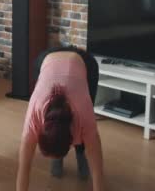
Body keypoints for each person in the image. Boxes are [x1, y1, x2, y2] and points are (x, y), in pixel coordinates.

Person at [16, 46, 104, 191]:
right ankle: (57, 151)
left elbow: (98, 171)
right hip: (47, 58)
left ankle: (80, 151)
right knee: (60, 151)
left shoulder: (83, 113)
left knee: (89, 143)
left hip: (83, 61)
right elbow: (23, 168)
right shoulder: (34, 114)